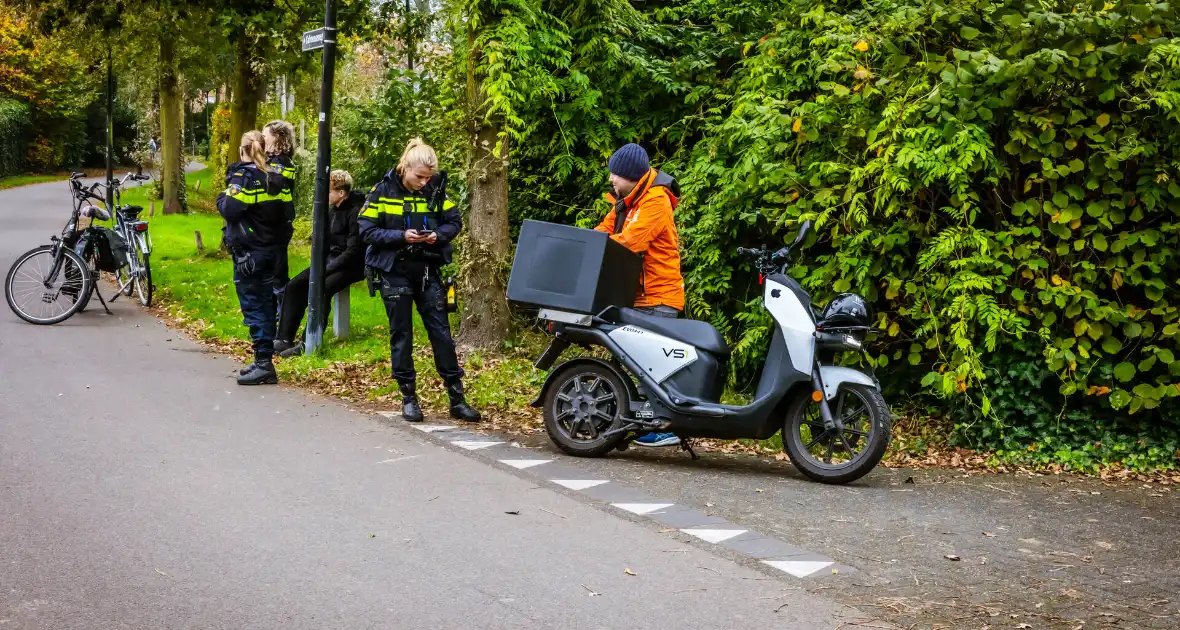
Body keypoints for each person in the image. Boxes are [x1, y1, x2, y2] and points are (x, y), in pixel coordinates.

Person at [358, 138, 481, 423]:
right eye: (419, 177)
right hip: (394, 269)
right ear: (405, 168)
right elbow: (365, 230)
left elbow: (454, 221)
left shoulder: (435, 190)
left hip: (428, 270)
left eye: (429, 177)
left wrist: (439, 235)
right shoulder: (382, 190)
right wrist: (401, 236)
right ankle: (408, 397)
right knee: (402, 335)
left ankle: (456, 398)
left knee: (442, 335)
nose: (424, 182)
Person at [595, 143, 685, 446]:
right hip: (641, 297)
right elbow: (606, 230)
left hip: (658, 298)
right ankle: (632, 419)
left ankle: (664, 426)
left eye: (615, 175)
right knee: (631, 360)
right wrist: (581, 244)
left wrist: (595, 251)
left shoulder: (655, 201)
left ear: (631, 176)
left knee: (649, 365)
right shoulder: (629, 201)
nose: (611, 180)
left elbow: (629, 243)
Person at [217, 131, 288, 386]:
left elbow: (229, 209)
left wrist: (222, 195)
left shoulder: (243, 178)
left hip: (250, 253)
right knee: (267, 304)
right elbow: (286, 214)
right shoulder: (276, 178)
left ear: (242, 149)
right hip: (272, 251)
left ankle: (263, 364)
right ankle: (263, 359)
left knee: (254, 306)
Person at [274, 170, 366, 357]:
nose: (325, 195)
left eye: (329, 190)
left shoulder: (356, 212)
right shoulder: (330, 211)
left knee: (321, 289)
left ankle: (308, 341)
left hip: (353, 265)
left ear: (341, 192)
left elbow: (353, 251)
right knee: (294, 286)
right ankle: (283, 338)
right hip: (329, 261)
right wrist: (319, 265)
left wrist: (326, 269)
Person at [263, 120, 298, 314]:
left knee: (277, 276)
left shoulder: (281, 163)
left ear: (277, 137)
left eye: (265, 135)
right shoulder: (275, 162)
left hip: (277, 226)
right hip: (276, 225)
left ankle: (282, 319)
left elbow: (271, 187)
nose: (262, 139)